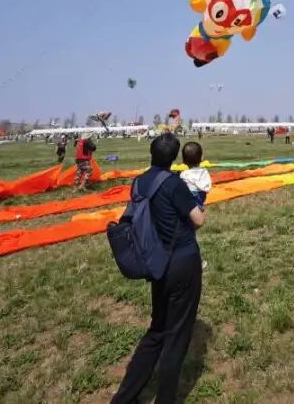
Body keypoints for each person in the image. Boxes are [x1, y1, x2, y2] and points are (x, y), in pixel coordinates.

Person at [112, 133, 205, 404]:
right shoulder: (175, 184)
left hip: (156, 263)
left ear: (151, 154)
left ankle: (124, 398)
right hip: (182, 263)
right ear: (174, 158)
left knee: (157, 331)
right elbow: (197, 220)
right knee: (176, 339)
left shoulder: (139, 182)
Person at [180, 142, 211, 210]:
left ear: (183, 160)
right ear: (201, 157)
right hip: (201, 196)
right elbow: (207, 187)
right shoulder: (204, 172)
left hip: (189, 199)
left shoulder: (183, 174)